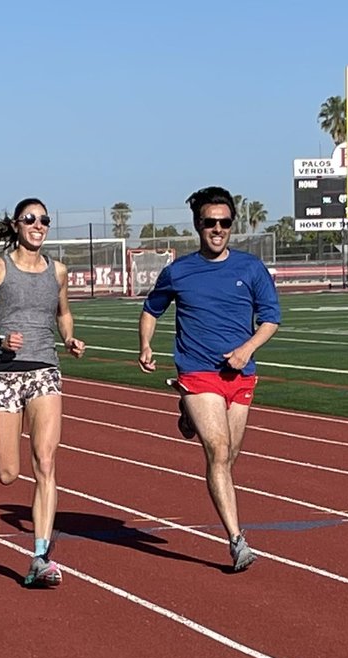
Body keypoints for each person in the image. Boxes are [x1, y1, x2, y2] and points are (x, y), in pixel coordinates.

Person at [137, 186, 281, 572]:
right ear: (198, 225)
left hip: (240, 374)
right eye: (209, 222)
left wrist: (247, 349)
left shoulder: (250, 268)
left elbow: (271, 319)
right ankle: (237, 541)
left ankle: (187, 414)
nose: (217, 229)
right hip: (198, 371)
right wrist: (146, 345)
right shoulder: (178, 271)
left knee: (230, 456)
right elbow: (151, 310)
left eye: (224, 222)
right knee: (217, 452)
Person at [0, 198, 86, 587]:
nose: (38, 224)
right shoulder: (0, 269)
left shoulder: (58, 271)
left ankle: (41, 556)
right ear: (17, 225)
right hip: (4, 373)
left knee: (45, 463)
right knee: (8, 474)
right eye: (30, 219)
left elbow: (63, 312)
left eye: (44, 219)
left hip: (44, 369)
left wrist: (68, 337)